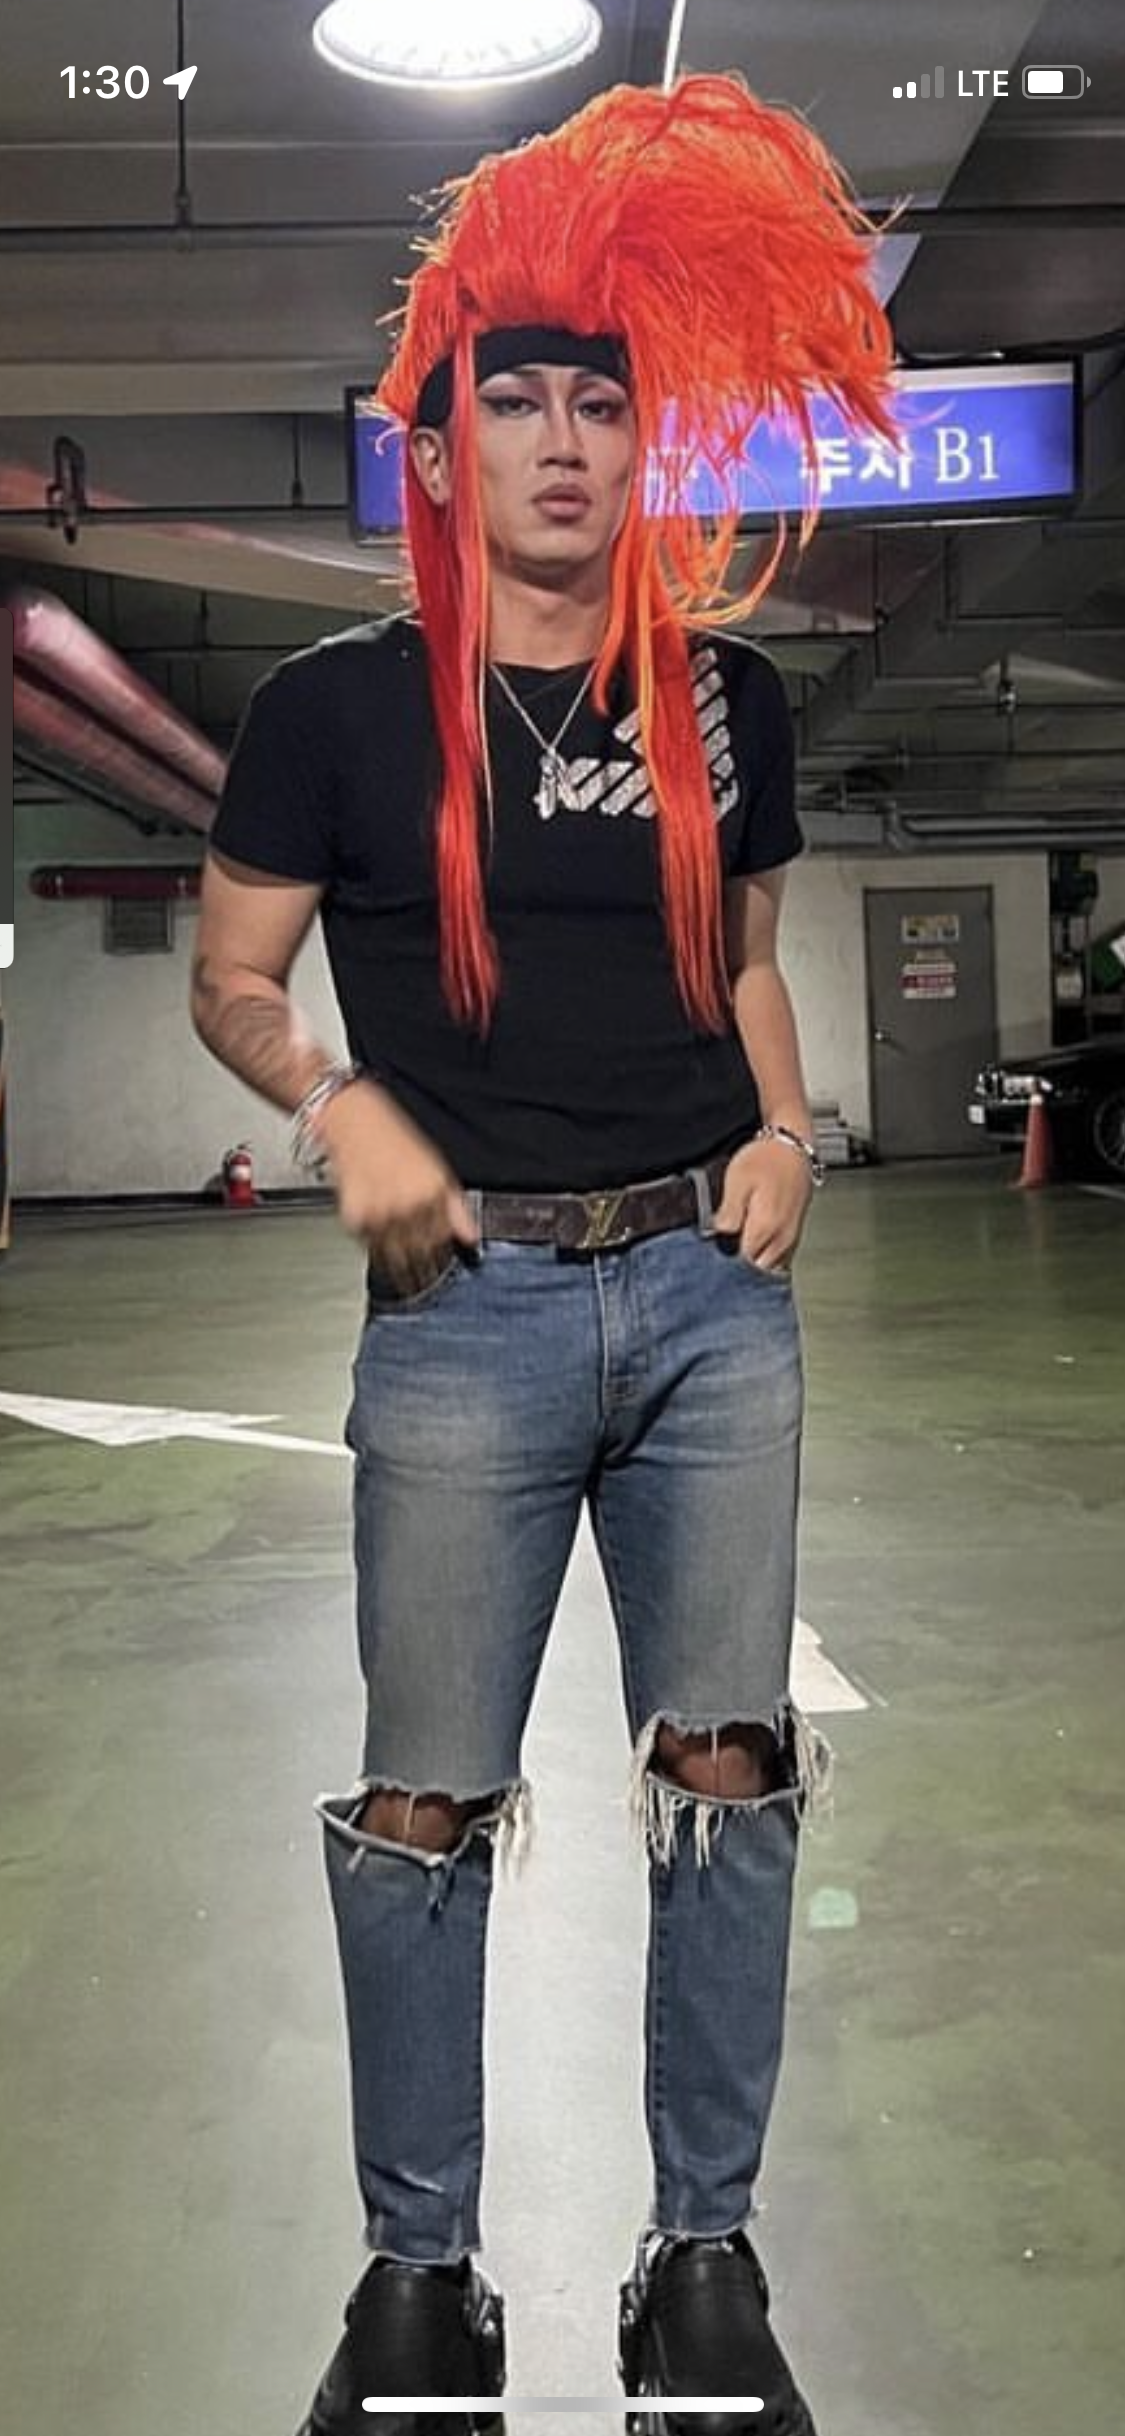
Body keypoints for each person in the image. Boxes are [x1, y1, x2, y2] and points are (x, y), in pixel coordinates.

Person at [191, 73, 893, 2436]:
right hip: (459, 1312)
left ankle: (700, 2260)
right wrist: (340, 1105)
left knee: (724, 1772)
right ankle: (422, 2281)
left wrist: (784, 1124)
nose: (567, 444)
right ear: (442, 444)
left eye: (603, 404)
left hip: (706, 1301)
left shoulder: (721, 700)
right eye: (520, 404)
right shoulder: (331, 715)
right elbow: (234, 978)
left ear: (639, 438)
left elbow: (751, 961)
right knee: (420, 1804)